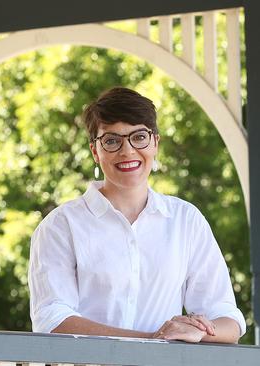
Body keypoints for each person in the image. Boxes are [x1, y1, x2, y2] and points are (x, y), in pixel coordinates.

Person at [28, 87, 245, 344]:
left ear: (155, 143)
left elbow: (228, 319)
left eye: (139, 137)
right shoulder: (61, 226)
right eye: (111, 140)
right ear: (95, 152)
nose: (127, 151)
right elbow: (51, 319)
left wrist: (199, 331)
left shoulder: (186, 221)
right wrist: (150, 341)